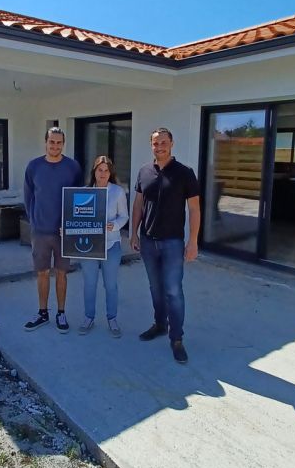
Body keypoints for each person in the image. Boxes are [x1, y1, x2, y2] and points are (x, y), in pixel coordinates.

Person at [130, 127, 200, 364]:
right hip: (148, 241)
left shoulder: (185, 173)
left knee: (173, 291)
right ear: (151, 145)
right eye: (155, 143)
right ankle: (160, 324)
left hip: (172, 243)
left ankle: (177, 338)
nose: (159, 147)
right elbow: (138, 204)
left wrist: (193, 241)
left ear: (172, 143)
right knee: (155, 288)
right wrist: (134, 233)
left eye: (163, 143)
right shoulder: (144, 172)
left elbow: (194, 209)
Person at [23, 127, 82, 333]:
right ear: (45, 142)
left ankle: (61, 313)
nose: (55, 146)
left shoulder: (73, 167)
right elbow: (28, 197)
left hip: (63, 232)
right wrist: (34, 220)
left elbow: (79, 198)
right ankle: (42, 312)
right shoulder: (34, 167)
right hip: (40, 231)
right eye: (52, 142)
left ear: (63, 144)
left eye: (59, 143)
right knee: (42, 272)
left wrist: (72, 225)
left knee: (62, 273)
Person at [79, 156, 129, 339]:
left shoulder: (117, 192)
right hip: (89, 246)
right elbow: (76, 217)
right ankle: (88, 317)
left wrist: (114, 225)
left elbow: (124, 216)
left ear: (110, 173)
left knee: (111, 285)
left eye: (106, 170)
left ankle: (112, 318)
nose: (103, 173)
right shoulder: (84, 192)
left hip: (111, 245)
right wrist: (68, 230)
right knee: (90, 284)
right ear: (94, 172)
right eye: (99, 170)